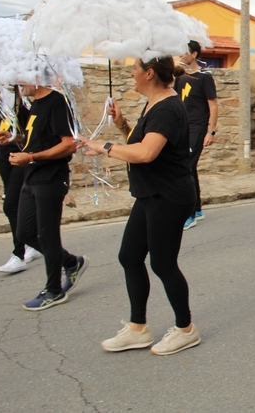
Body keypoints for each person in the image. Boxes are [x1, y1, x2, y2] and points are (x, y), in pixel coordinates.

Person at [81, 56, 201, 355]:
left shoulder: (167, 108)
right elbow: (143, 143)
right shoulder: (155, 104)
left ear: (149, 73)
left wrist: (103, 147)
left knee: (162, 263)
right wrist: (122, 124)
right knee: (130, 257)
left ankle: (186, 329)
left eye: (135, 68)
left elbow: (146, 153)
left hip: (168, 196)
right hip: (150, 193)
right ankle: (138, 328)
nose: (131, 73)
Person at [10, 84, 87, 311]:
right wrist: (13, 139)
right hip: (32, 176)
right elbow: (37, 139)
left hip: (51, 177)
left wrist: (31, 157)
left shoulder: (56, 101)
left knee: (48, 235)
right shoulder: (35, 104)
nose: (18, 83)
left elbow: (69, 144)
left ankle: (54, 291)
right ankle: (71, 262)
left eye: (22, 77)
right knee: (24, 232)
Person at [0, 92, 42, 272]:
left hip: (19, 160)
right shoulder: (0, 107)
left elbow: (30, 138)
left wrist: (14, 139)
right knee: (18, 204)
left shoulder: (25, 107)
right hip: (4, 160)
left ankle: (18, 255)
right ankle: (32, 243)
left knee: (10, 206)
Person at [174, 40, 218, 230]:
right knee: (189, 169)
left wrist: (210, 131)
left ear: (194, 54)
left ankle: (188, 214)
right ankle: (198, 209)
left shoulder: (205, 77)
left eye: (184, 52)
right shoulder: (179, 77)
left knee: (185, 167)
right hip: (182, 128)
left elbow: (213, 105)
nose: (181, 55)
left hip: (198, 128)